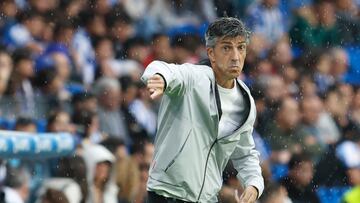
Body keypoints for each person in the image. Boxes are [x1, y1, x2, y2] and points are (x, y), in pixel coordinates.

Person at [142, 17, 264, 203]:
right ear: (211, 53)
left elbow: (245, 153)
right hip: (166, 195)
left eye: (240, 47)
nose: (235, 56)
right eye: (226, 47)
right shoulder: (194, 76)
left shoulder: (245, 100)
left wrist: (254, 184)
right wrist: (159, 77)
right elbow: (164, 68)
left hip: (208, 199)